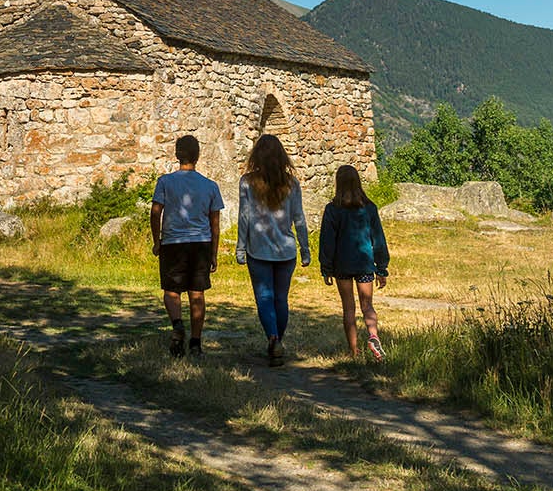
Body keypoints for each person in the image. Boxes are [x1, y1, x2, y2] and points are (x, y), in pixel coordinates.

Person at [234, 133, 309, 366]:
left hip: (258, 249)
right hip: (286, 251)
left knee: (264, 298)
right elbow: (299, 219)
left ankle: (273, 338)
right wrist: (305, 249)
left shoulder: (247, 182)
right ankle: (278, 340)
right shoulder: (292, 183)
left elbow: (244, 217)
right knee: (281, 299)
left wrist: (240, 247)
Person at [151, 134, 224, 358]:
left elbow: (156, 212)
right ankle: (195, 342)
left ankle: (177, 325)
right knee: (197, 293)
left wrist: (157, 241)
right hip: (200, 243)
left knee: (171, 290)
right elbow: (215, 224)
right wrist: (213, 253)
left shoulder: (165, 182)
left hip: (173, 242)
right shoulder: (210, 185)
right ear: (198, 156)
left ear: (176, 155)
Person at [318, 164, 391, 360]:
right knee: (367, 305)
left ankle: (354, 352)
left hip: (342, 265)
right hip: (365, 263)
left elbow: (327, 241)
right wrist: (382, 268)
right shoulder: (369, 208)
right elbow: (378, 239)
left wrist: (326, 268)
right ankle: (373, 336)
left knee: (348, 308)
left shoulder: (332, 210)